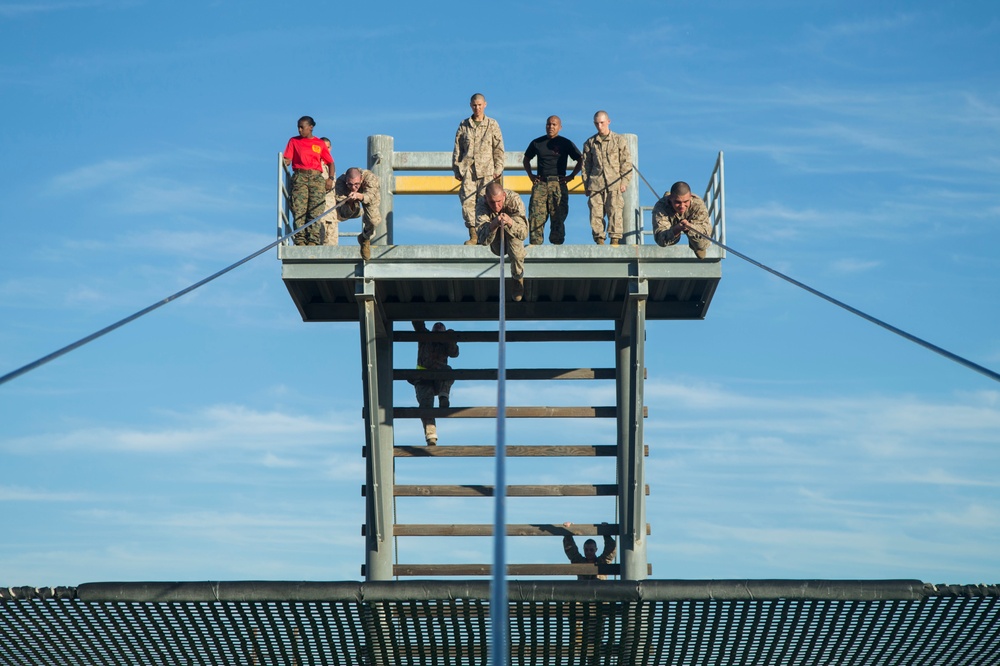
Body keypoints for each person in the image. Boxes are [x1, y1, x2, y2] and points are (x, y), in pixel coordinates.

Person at [453, 93, 505, 245]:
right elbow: (457, 148)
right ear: (471, 105)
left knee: (487, 202)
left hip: (487, 171)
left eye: (480, 105)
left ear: (485, 105)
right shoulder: (464, 125)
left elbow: (499, 148)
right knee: (467, 202)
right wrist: (457, 169)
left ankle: (489, 235)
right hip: (468, 170)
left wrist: (498, 168)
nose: (477, 108)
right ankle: (473, 235)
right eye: (474, 105)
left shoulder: (492, 124)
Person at [522, 116, 582, 245]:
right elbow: (526, 159)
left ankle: (557, 245)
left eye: (554, 124)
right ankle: (535, 246)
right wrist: (531, 175)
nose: (551, 127)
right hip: (541, 183)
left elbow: (581, 159)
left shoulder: (566, 143)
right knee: (536, 216)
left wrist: (571, 176)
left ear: (560, 127)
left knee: (558, 216)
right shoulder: (537, 142)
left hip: (558, 183)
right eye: (548, 124)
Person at [580, 110, 632, 246]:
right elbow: (585, 166)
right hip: (596, 183)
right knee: (596, 213)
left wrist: (624, 181)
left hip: (614, 183)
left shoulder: (619, 140)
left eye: (602, 123)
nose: (599, 126)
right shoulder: (590, 143)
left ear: (608, 122)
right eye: (597, 123)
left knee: (615, 211)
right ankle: (599, 240)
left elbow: (626, 163)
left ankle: (615, 240)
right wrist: (586, 185)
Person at [282, 116, 334, 246]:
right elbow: (287, 158)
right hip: (300, 177)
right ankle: (300, 240)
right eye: (298, 127)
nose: (300, 130)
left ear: (310, 127)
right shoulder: (294, 141)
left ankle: (313, 240)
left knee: (315, 210)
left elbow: (330, 163)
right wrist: (284, 162)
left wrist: (330, 178)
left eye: (302, 127)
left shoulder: (319, 143)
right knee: (299, 209)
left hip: (316, 178)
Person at [475, 181, 528, 302]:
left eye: (499, 202)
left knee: (515, 248)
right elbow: (483, 239)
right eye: (492, 202)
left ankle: (517, 278)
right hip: (496, 243)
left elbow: (523, 233)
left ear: (504, 195)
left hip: (513, 235)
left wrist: (510, 222)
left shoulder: (514, 200)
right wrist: (494, 224)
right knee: (489, 225)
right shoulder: (481, 205)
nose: (496, 206)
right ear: (485, 198)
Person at [411, 321, 459, 446]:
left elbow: (454, 353)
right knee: (426, 405)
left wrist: (450, 338)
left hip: (438, 379)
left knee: (448, 371)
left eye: (440, 327)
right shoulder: (425, 337)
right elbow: (418, 324)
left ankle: (444, 397)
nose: (438, 328)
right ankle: (431, 435)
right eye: (436, 327)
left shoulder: (445, 344)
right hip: (422, 379)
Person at [652, 181, 713, 259]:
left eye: (685, 202)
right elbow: (660, 239)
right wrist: (676, 229)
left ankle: (696, 247)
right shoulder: (660, 207)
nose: (682, 206)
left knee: (701, 244)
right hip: (671, 217)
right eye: (678, 202)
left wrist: (690, 227)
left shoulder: (698, 204)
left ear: (690, 197)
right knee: (666, 241)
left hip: (692, 221)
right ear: (670, 198)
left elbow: (705, 231)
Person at [333, 167, 382, 261]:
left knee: (373, 220)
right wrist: (350, 202)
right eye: (350, 184)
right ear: (346, 180)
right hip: (349, 197)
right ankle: (357, 211)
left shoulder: (370, 178)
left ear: (361, 178)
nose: (353, 187)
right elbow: (339, 200)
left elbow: (370, 196)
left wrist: (359, 196)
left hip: (368, 194)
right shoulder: (340, 182)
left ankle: (365, 238)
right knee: (344, 211)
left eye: (356, 184)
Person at [318, 138, 339, 246]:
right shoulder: (316, 165)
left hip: (331, 210)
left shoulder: (330, 166)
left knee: (332, 244)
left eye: (327, 147)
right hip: (319, 210)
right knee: (318, 243)